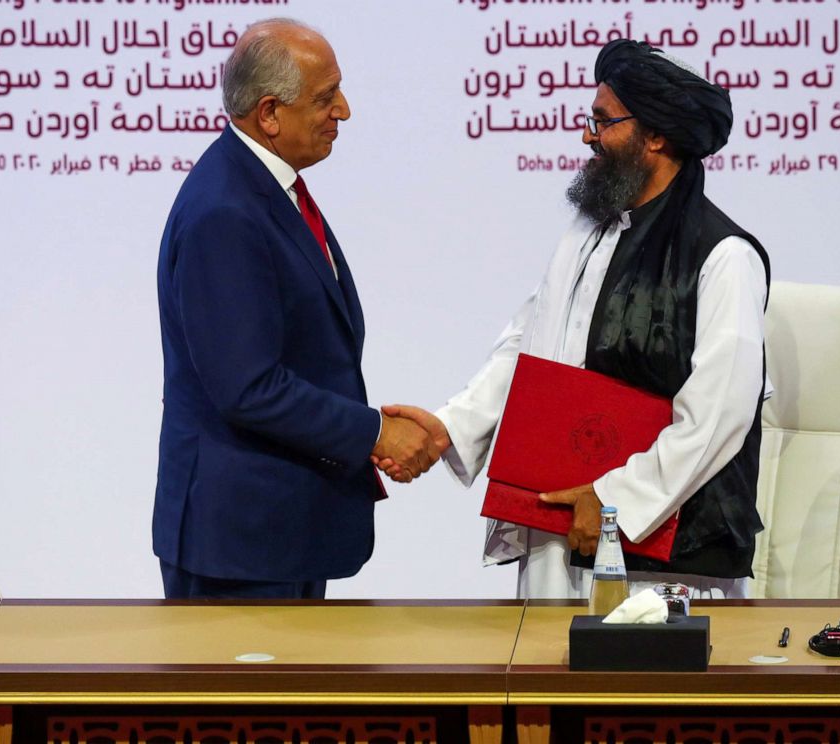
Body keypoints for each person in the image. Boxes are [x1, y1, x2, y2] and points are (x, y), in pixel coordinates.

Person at [378, 40, 770, 600]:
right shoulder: (589, 232)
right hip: (559, 527)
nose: (588, 135)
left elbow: (718, 415)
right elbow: (529, 347)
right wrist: (452, 428)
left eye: (603, 121)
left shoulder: (725, 256)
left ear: (655, 136)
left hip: (661, 559)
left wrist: (616, 502)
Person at [153, 18, 437, 599]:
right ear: (270, 113)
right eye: (325, 98)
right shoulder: (225, 213)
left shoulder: (263, 187)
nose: (345, 111)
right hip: (241, 546)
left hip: (280, 530)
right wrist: (375, 433)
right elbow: (248, 386)